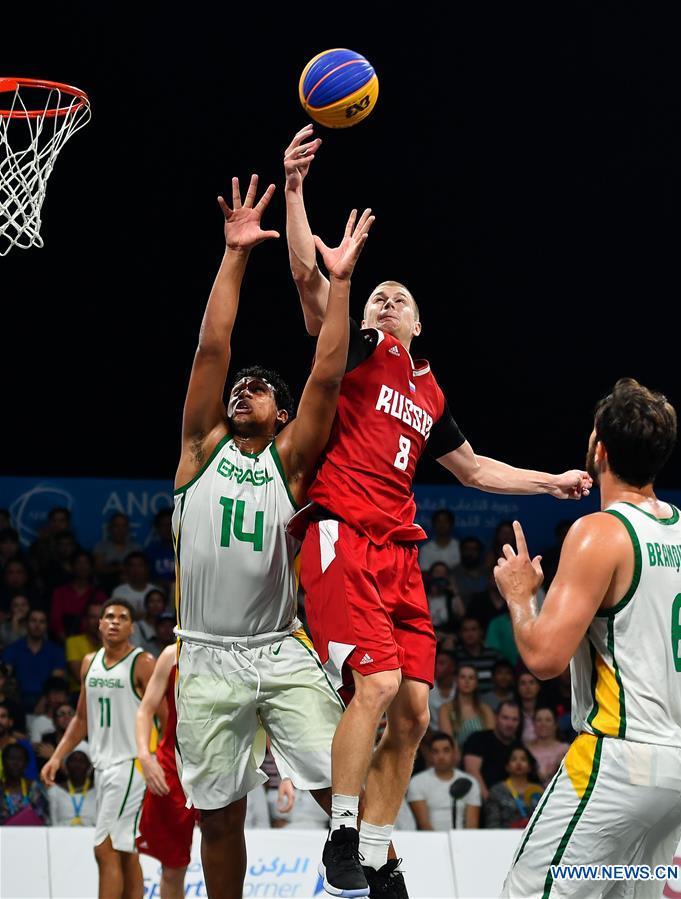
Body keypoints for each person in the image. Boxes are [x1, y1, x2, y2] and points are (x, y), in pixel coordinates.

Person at [284, 123, 592, 899]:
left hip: (397, 550)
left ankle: (380, 849)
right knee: (379, 686)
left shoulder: (429, 391)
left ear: (419, 325)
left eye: (401, 297)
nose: (388, 299)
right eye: (379, 294)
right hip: (340, 532)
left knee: (419, 709)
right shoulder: (353, 353)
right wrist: (294, 195)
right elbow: (305, 282)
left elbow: (476, 465)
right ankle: (342, 834)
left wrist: (550, 480)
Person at [172, 172, 373, 899]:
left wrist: (340, 283)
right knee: (217, 819)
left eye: (259, 387)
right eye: (240, 388)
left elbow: (326, 375)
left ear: (283, 416)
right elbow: (211, 348)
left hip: (279, 648)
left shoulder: (290, 466)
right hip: (203, 654)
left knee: (342, 794)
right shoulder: (200, 450)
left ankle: (385, 885)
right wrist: (235, 254)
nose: (241, 389)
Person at [493, 378, 681, 898]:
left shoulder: (600, 533)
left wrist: (521, 596)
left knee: (528, 892)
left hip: (618, 762)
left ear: (600, 450)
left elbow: (543, 657)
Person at [40, 599, 156, 899]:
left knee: (103, 847)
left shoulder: (142, 662)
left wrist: (165, 763)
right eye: (109, 616)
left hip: (131, 765)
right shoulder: (89, 662)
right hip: (103, 767)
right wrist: (56, 756)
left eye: (123, 617)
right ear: (99, 624)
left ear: (131, 627)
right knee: (126, 850)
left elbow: (167, 717)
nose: (115, 621)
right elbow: (81, 718)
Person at [135, 643, 199, 899]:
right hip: (173, 768)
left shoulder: (233, 647)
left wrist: (283, 775)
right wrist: (145, 756)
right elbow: (145, 710)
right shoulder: (171, 655)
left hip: (221, 767)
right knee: (173, 868)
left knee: (221, 856)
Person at [407, 732, 481, 830]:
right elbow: (423, 824)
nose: (441, 756)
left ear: (455, 753)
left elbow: (471, 825)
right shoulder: (417, 782)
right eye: (435, 751)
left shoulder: (469, 782)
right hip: (430, 840)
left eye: (446, 751)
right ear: (429, 755)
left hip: (461, 840)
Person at [1, 609, 66, 711]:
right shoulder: (13, 649)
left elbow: (56, 682)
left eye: (41, 622)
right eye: (33, 621)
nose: (37, 625)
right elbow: (4, 676)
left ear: (46, 626)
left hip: (47, 700)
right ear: (26, 623)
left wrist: (44, 701)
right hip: (18, 699)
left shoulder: (56, 651)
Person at [462, 700, 522, 800]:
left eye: (514, 719)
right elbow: (471, 770)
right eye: (505, 718)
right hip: (480, 801)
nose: (510, 724)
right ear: (496, 717)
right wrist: (489, 801)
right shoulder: (478, 739)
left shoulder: (519, 747)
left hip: (513, 804)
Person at [49, 550, 106, 641]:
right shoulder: (60, 592)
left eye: (86, 563)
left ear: (91, 567)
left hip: (92, 642)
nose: (82, 567)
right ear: (72, 567)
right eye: (79, 562)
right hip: (63, 642)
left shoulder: (99, 595)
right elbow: (55, 621)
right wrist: (67, 641)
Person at [484, 746, 543, 829]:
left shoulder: (539, 790)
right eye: (513, 759)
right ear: (507, 766)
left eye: (523, 759)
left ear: (530, 767)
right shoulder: (496, 791)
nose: (518, 763)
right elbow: (492, 823)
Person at [438, 664, 494, 749]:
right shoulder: (445, 709)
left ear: (476, 683)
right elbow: (448, 742)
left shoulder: (486, 709)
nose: (467, 681)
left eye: (471, 678)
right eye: (463, 677)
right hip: (456, 758)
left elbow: (491, 740)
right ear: (456, 681)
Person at [0, 742, 48, 825]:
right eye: (11, 758)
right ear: (3, 762)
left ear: (26, 764)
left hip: (29, 834)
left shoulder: (34, 787)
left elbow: (42, 817)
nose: (15, 763)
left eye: (20, 759)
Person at [47, 749, 97, 826]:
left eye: (82, 761)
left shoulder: (98, 791)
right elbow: (53, 822)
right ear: (66, 765)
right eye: (73, 760)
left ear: (89, 767)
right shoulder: (54, 791)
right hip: (61, 836)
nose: (77, 765)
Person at [65, 600, 103, 695]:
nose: (97, 622)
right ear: (85, 620)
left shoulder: (113, 644)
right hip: (80, 693)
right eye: (92, 617)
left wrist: (105, 643)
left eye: (101, 617)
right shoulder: (73, 642)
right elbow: (80, 677)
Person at [525, 706, 568, 787]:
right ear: (533, 724)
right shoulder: (526, 750)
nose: (543, 724)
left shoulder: (566, 750)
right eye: (539, 720)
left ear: (555, 724)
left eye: (548, 720)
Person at [451, 537, 488, 601]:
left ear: (479, 552)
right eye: (467, 549)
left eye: (474, 549)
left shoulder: (487, 572)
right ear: (461, 551)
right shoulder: (454, 573)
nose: (470, 552)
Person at [428, 649, 457, 731]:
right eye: (436, 663)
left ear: (453, 667)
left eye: (441, 663)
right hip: (432, 736)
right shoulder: (427, 687)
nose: (436, 666)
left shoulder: (461, 686)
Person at [133, 588, 166, 657]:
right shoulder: (136, 626)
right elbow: (135, 650)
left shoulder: (169, 625)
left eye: (159, 601)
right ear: (146, 605)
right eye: (152, 601)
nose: (155, 605)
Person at [516, 670, 542, 744]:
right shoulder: (513, 713)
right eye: (523, 683)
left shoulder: (547, 711)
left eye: (531, 682)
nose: (527, 687)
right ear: (517, 688)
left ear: (538, 687)